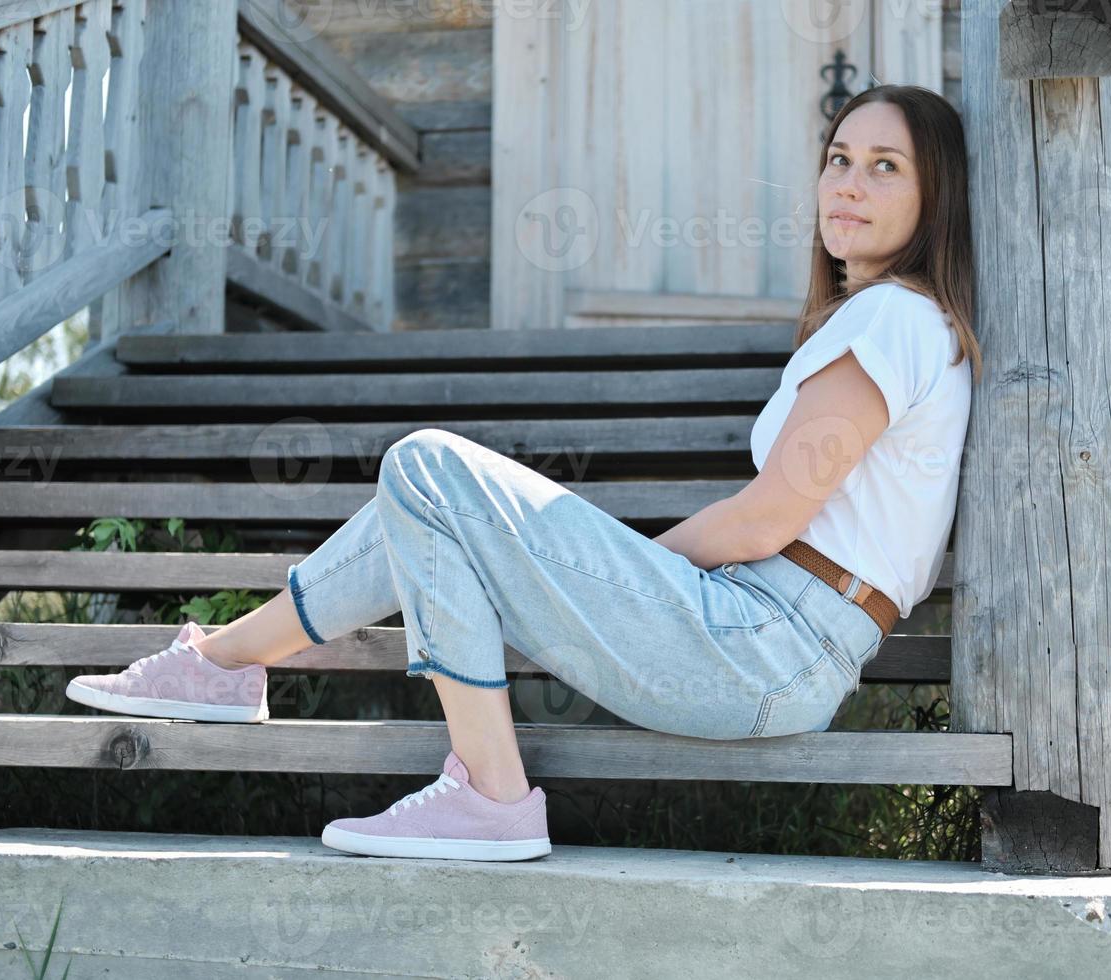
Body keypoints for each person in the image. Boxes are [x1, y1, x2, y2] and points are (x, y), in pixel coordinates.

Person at [64, 84, 981, 862]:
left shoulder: (893, 319)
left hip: (768, 641)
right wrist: (602, 584)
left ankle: (492, 796)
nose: (849, 184)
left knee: (426, 468)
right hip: (774, 642)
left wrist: (627, 577)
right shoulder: (889, 321)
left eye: (885, 166)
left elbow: (763, 521)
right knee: (420, 500)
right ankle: (225, 662)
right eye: (839, 158)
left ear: (933, 198)